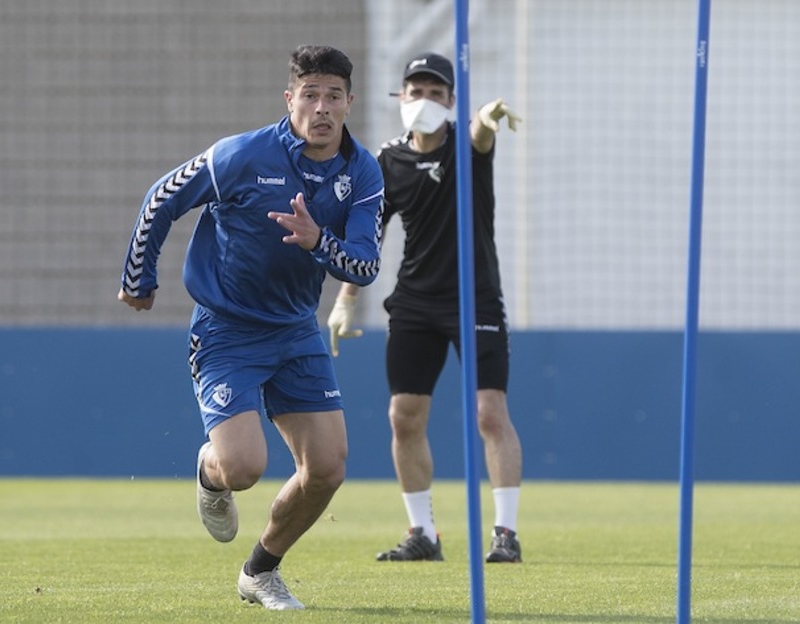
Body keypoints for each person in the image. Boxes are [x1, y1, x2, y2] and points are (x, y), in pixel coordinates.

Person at [117, 45, 384, 610]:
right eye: (309, 94)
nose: (321, 107)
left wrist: (319, 242)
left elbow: (365, 264)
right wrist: (138, 279)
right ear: (289, 100)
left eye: (333, 96)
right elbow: (161, 197)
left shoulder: (361, 171)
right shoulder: (241, 155)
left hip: (296, 330)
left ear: (349, 103)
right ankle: (211, 471)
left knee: (328, 469)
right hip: (227, 330)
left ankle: (260, 572)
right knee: (244, 469)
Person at [327, 52, 523, 563]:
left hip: (476, 297)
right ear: (401, 98)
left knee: (489, 413)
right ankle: (423, 534)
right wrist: (347, 298)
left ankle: (506, 534)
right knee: (404, 416)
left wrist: (486, 116)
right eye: (416, 91)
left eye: (436, 93)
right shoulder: (386, 162)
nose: (425, 100)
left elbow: (482, 134)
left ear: (451, 102)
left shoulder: (467, 149)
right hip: (415, 302)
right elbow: (367, 233)